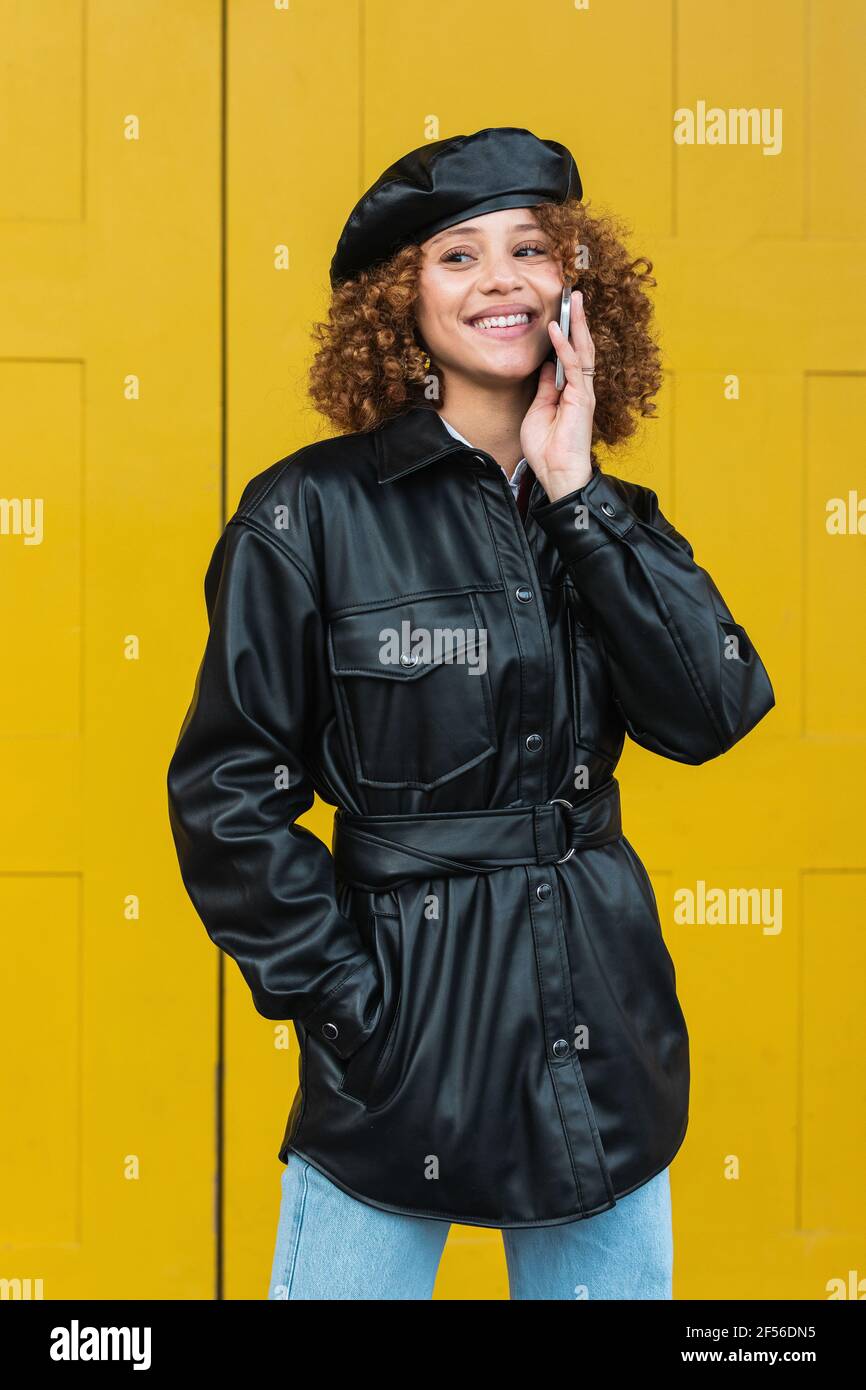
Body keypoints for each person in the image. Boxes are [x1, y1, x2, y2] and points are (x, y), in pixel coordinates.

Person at [166, 127, 775, 1300]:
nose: (499, 279)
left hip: (599, 1024)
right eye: (456, 256)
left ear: (572, 285)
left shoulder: (603, 510)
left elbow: (710, 711)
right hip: (402, 1036)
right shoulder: (306, 514)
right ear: (402, 305)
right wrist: (349, 1008)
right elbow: (223, 796)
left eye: (529, 248)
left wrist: (575, 493)